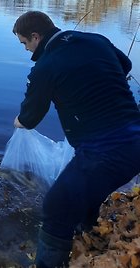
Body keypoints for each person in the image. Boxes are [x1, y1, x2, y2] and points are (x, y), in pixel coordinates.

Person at [12, 11, 140, 267]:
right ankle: (87, 230)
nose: (26, 50)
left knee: (56, 207)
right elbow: (125, 65)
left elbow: (30, 118)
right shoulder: (95, 40)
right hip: (136, 140)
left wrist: (18, 121)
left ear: (36, 37)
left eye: (25, 43)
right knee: (87, 188)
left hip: (105, 153)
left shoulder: (45, 67)